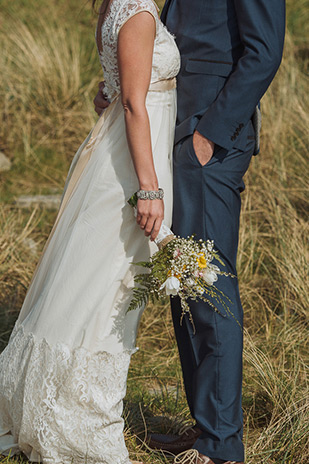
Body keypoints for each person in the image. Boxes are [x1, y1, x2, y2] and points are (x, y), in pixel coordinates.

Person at [95, 1, 286, 463]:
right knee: (185, 284)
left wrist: (210, 134)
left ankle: (222, 444)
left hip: (210, 138)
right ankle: (206, 427)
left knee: (210, 285)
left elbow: (265, 51)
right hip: (178, 132)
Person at [0, 1, 180, 463]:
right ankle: (75, 419)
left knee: (86, 283)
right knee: (105, 289)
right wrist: (148, 190)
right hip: (133, 164)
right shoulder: (137, 10)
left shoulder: (112, 6)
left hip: (121, 150)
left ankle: (46, 399)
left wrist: (108, 92)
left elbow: (117, 86)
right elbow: (135, 103)